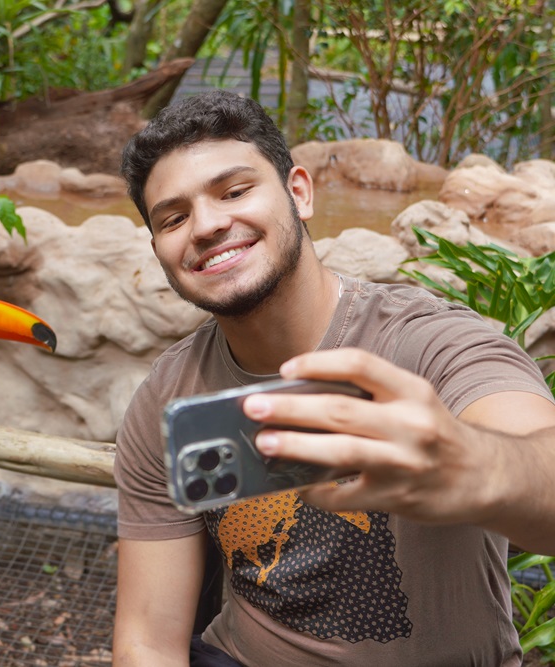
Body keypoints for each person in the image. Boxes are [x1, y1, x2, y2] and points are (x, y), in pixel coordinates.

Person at [112, 89, 555, 666]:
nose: (207, 225)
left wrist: (476, 465)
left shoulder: (427, 340)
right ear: (159, 248)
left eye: (236, 191)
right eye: (173, 218)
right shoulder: (168, 399)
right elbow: (147, 640)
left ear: (299, 193)